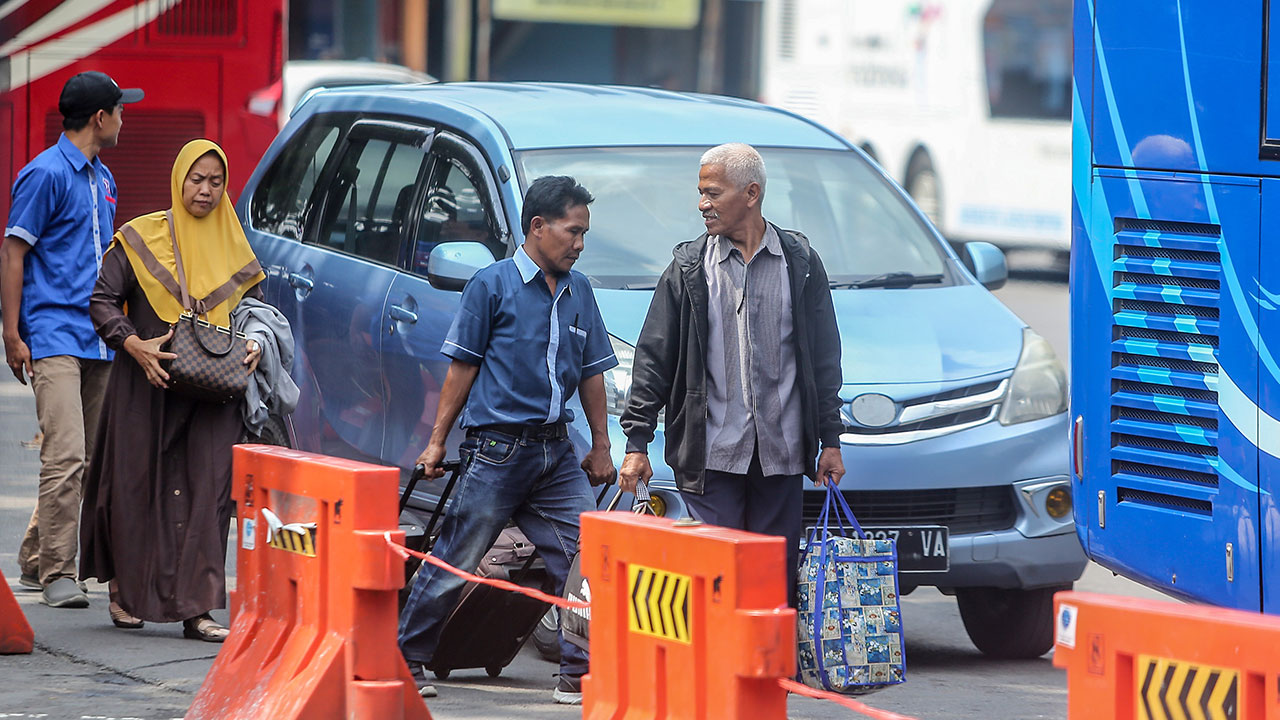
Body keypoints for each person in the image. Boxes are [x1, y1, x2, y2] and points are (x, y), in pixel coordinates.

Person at [399, 175, 617, 704]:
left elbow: (592, 372)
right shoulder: (491, 285)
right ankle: (405, 659)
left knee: (588, 558)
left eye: (585, 233)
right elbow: (462, 369)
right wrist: (436, 442)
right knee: (457, 556)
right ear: (537, 227)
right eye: (573, 231)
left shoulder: (579, 290)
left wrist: (601, 445)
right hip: (496, 450)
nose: (579, 244)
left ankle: (578, 674)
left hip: (555, 452)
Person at [618, 142, 846, 603]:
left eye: (712, 193)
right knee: (715, 581)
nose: (702, 204)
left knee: (769, 584)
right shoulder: (688, 268)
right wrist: (637, 443)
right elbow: (653, 358)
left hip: (781, 456)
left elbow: (824, 360)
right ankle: (712, 676)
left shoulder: (799, 265)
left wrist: (831, 440)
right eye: (700, 193)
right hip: (712, 455)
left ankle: (766, 674)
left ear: (751, 193)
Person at [79, 139, 266, 640]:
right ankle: (127, 593)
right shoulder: (141, 237)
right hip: (147, 387)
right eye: (196, 179)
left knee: (208, 496)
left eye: (216, 181)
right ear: (179, 178)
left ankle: (198, 608)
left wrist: (256, 345)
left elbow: (257, 316)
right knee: (137, 489)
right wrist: (132, 343)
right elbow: (101, 301)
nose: (205, 190)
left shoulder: (235, 246)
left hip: (213, 394)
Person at [2, 71, 143, 609]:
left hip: (99, 337)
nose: (125, 117)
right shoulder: (44, 175)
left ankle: (36, 559)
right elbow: (13, 252)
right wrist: (12, 334)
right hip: (53, 333)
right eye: (120, 109)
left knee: (84, 457)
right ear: (100, 119)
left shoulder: (103, 179)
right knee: (66, 455)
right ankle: (61, 572)